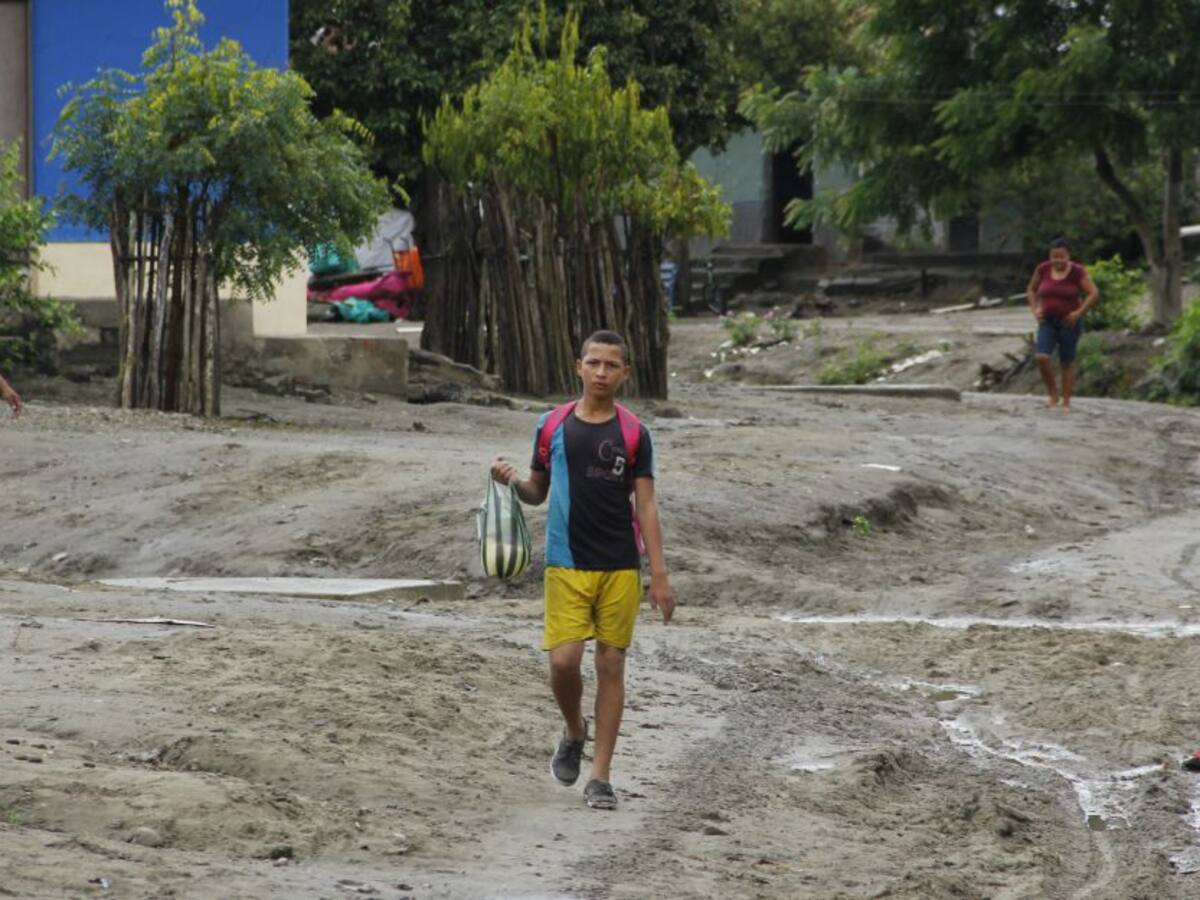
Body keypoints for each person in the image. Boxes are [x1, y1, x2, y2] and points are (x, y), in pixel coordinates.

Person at [490, 330, 675, 811]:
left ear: (625, 374)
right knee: (563, 662)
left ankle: (601, 776)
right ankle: (575, 730)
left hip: (619, 565)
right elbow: (538, 491)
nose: (601, 372)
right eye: (593, 363)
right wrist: (513, 482)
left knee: (611, 664)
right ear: (578, 367)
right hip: (565, 564)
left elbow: (647, 506)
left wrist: (659, 575)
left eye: (611, 365)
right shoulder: (551, 426)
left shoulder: (635, 433)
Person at [1025, 238, 1100, 413]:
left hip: (1069, 322)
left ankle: (1066, 401)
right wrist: (1035, 309)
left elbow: (1093, 293)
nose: (1058, 261)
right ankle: (1053, 394)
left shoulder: (1077, 272)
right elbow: (1031, 289)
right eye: (1054, 257)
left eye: (1061, 257)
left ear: (1068, 256)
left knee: (1066, 362)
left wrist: (1079, 312)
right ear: (1049, 256)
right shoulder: (1042, 269)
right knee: (1042, 356)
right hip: (1047, 321)